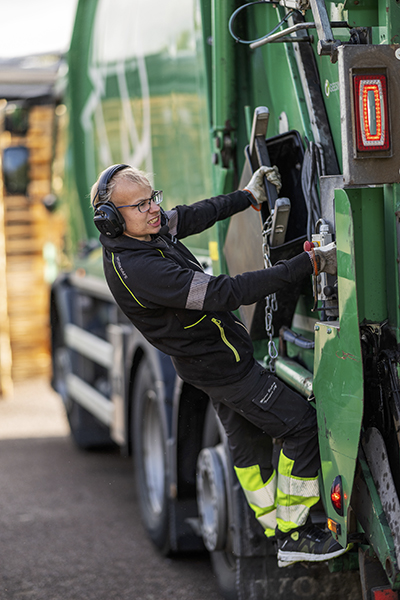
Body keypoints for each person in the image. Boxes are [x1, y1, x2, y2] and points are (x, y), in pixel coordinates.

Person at [91, 163, 346, 567]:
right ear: (110, 220)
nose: (153, 209)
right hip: (224, 369)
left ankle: (273, 525)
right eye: (140, 205)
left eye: (152, 197)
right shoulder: (141, 269)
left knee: (246, 443)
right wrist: (304, 266)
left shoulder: (146, 231)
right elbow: (223, 293)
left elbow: (191, 215)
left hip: (207, 364)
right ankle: (294, 534)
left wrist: (245, 197)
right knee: (299, 425)